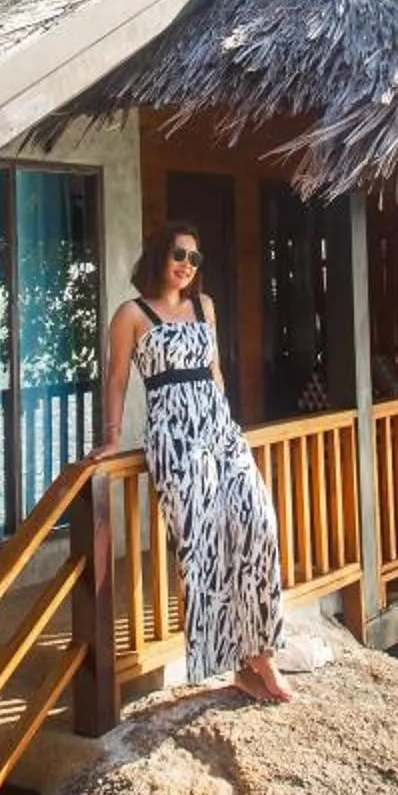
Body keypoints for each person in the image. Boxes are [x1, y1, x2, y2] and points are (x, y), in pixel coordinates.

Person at [92, 222, 291, 703]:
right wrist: (112, 437)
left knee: (257, 523)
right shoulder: (131, 315)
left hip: (220, 431)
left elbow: (214, 370)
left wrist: (226, 422)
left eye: (195, 259)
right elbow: (117, 378)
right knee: (202, 545)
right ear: (161, 255)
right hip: (174, 439)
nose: (186, 265)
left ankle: (259, 651)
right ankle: (244, 664)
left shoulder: (206, 308)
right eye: (179, 254)